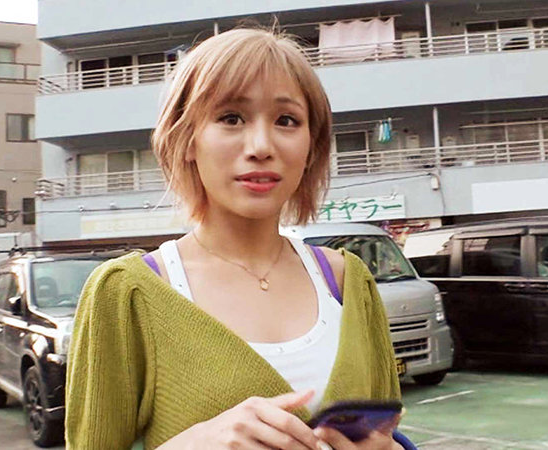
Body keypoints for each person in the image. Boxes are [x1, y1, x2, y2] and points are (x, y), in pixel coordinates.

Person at [66, 27, 404, 450]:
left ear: (311, 148)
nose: (261, 146)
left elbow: (387, 433)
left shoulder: (349, 281)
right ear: (186, 139)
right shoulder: (127, 292)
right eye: (231, 118)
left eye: (286, 121)